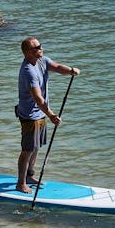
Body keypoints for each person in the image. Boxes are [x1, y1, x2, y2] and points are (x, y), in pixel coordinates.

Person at [15, 37, 80, 193]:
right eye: (37, 47)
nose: (41, 48)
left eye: (40, 46)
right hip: (30, 115)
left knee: (36, 147)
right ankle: (20, 183)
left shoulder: (42, 61)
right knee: (27, 150)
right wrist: (51, 115)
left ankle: (30, 175)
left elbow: (57, 67)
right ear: (28, 52)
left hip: (40, 113)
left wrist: (71, 70)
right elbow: (38, 98)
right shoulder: (28, 71)